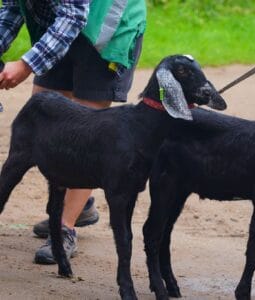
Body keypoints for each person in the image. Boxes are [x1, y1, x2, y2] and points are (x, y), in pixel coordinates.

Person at [0, 0, 146, 264]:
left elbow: (73, 15)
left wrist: (25, 65)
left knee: (84, 134)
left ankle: (66, 227)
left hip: (105, 28)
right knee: (44, 126)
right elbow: (11, 8)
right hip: (58, 24)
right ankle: (81, 205)